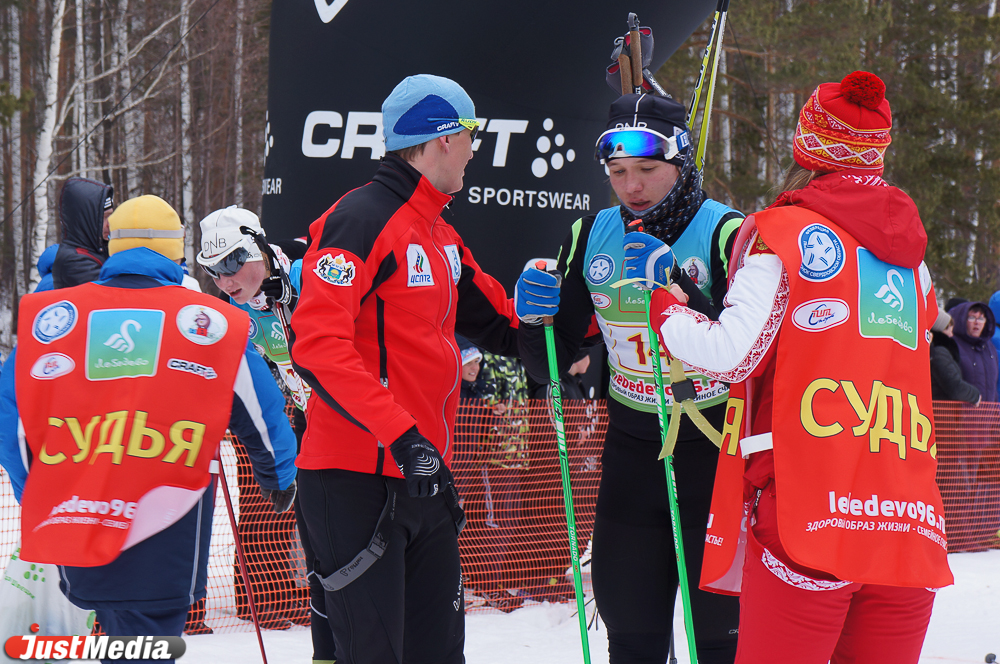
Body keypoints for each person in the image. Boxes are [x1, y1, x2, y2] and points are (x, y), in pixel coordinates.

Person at [650, 71, 953, 662]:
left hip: (812, 515)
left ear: (809, 145)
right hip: (905, 523)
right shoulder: (913, 262)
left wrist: (666, 312)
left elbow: (733, 353)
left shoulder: (783, 234)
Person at [0, 194, 297, 658]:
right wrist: (278, 474)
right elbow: (259, 406)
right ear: (177, 256)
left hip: (81, 518)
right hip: (169, 528)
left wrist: (34, 488)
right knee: (148, 641)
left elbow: (12, 410)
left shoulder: (56, 317)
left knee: (123, 636)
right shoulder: (213, 322)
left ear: (113, 248)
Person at [290, 74, 519, 664]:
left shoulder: (439, 232)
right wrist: (402, 433)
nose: (475, 148)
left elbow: (503, 324)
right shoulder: (361, 218)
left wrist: (581, 303)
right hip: (355, 479)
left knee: (439, 653)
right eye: (471, 134)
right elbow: (316, 345)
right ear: (443, 137)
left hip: (424, 476)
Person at [516, 92, 743, 663]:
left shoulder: (727, 233)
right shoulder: (591, 234)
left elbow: (750, 349)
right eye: (618, 173)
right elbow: (550, 363)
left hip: (714, 455)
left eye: (647, 170)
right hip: (632, 458)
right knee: (632, 632)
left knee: (720, 635)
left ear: (681, 163)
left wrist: (678, 287)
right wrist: (530, 320)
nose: (632, 186)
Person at [197, 206, 338, 660]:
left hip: (358, 418)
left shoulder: (308, 271)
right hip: (307, 423)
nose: (225, 279)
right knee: (319, 550)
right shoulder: (231, 314)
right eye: (213, 270)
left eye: (233, 262)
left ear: (258, 247)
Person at [51, 177, 114, 289]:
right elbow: (112, 292)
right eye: (104, 218)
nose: (110, 224)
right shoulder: (73, 261)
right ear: (85, 219)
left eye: (111, 216)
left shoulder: (98, 249)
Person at [929, 310, 981, 404]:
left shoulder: (935, 351)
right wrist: (975, 395)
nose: (951, 335)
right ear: (940, 329)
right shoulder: (939, 352)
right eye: (949, 330)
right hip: (941, 413)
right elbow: (953, 386)